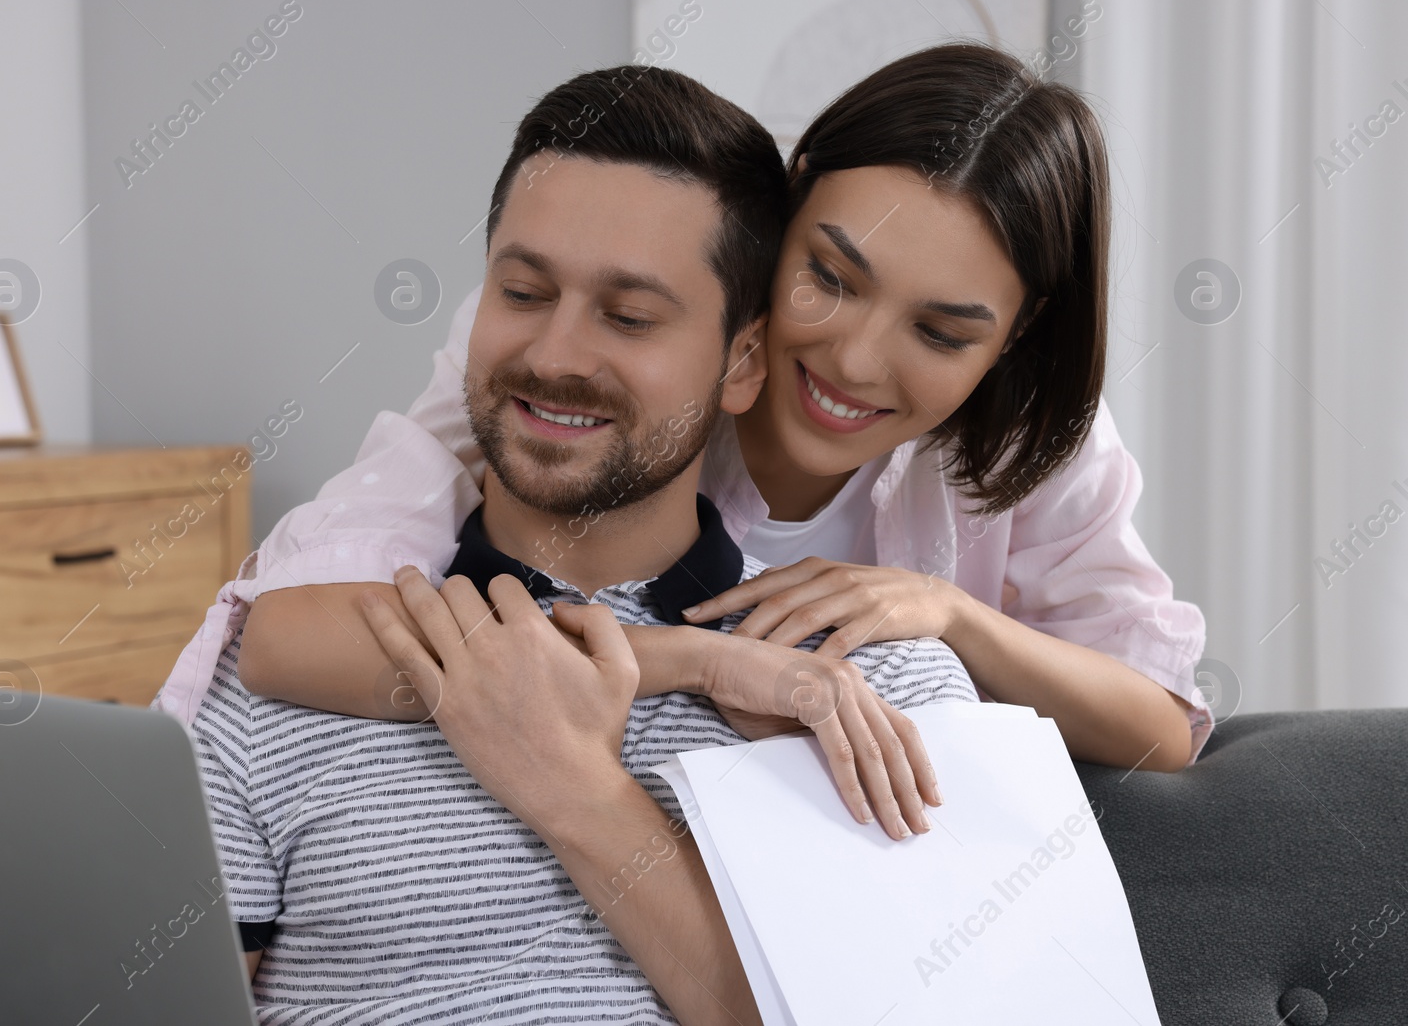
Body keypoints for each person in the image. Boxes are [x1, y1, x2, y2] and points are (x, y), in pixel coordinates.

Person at [158, 41, 1211, 778]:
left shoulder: (1028, 441)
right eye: (830, 277)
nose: (850, 355)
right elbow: (289, 631)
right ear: (790, 208)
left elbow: (1162, 721)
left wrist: (946, 611)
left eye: (940, 332)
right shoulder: (587, 370)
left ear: (1013, 336)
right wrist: (705, 661)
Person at [185, 65, 978, 1021]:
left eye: (629, 316)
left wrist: (576, 787)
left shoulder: (876, 688)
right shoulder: (289, 658)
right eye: (523, 291)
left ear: (743, 361)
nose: (555, 355)